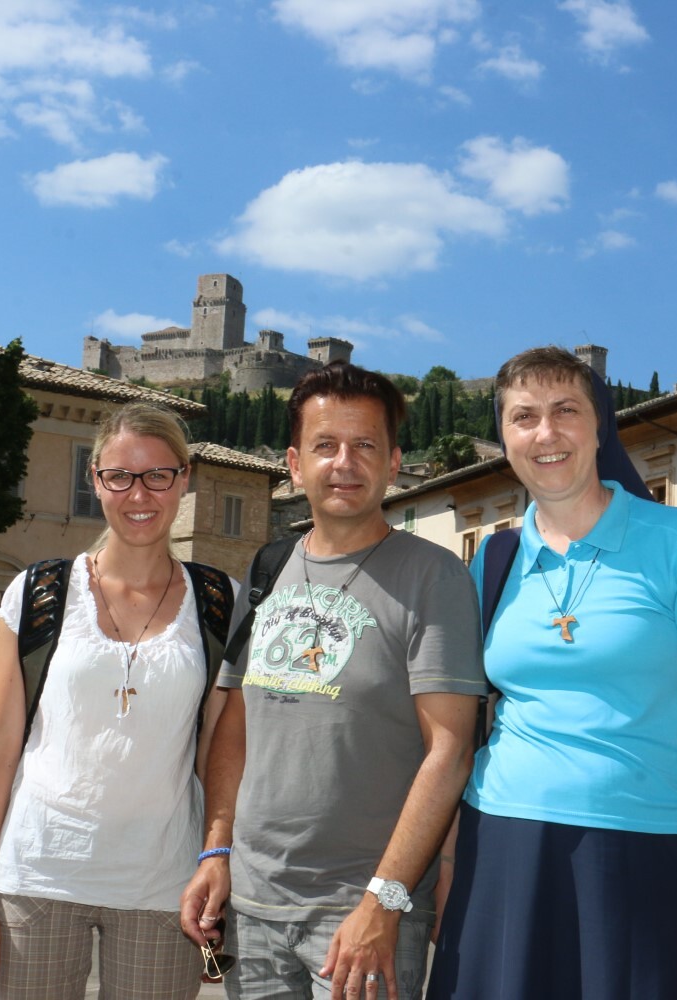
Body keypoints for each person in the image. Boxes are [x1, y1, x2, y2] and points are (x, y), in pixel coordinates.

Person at [426, 346, 677, 1000]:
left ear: (599, 427)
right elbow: (472, 729)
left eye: (566, 411)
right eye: (524, 417)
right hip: (503, 846)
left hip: (647, 848)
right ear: (504, 437)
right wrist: (447, 862)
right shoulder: (493, 559)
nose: (545, 433)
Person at [181, 361, 486, 1000]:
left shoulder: (434, 577)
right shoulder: (266, 570)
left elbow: (450, 750)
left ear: (394, 463)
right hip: (253, 909)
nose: (344, 462)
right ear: (295, 465)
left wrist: (384, 900)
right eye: (325, 445)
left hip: (363, 912)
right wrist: (216, 850)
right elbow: (235, 724)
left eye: (364, 445)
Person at [0, 403, 230, 999]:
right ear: (96, 480)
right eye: (120, 476)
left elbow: (221, 755)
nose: (140, 494)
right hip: (38, 876)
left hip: (165, 885)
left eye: (158, 475)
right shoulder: (37, 592)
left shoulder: (220, 602)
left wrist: (218, 855)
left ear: (185, 479)